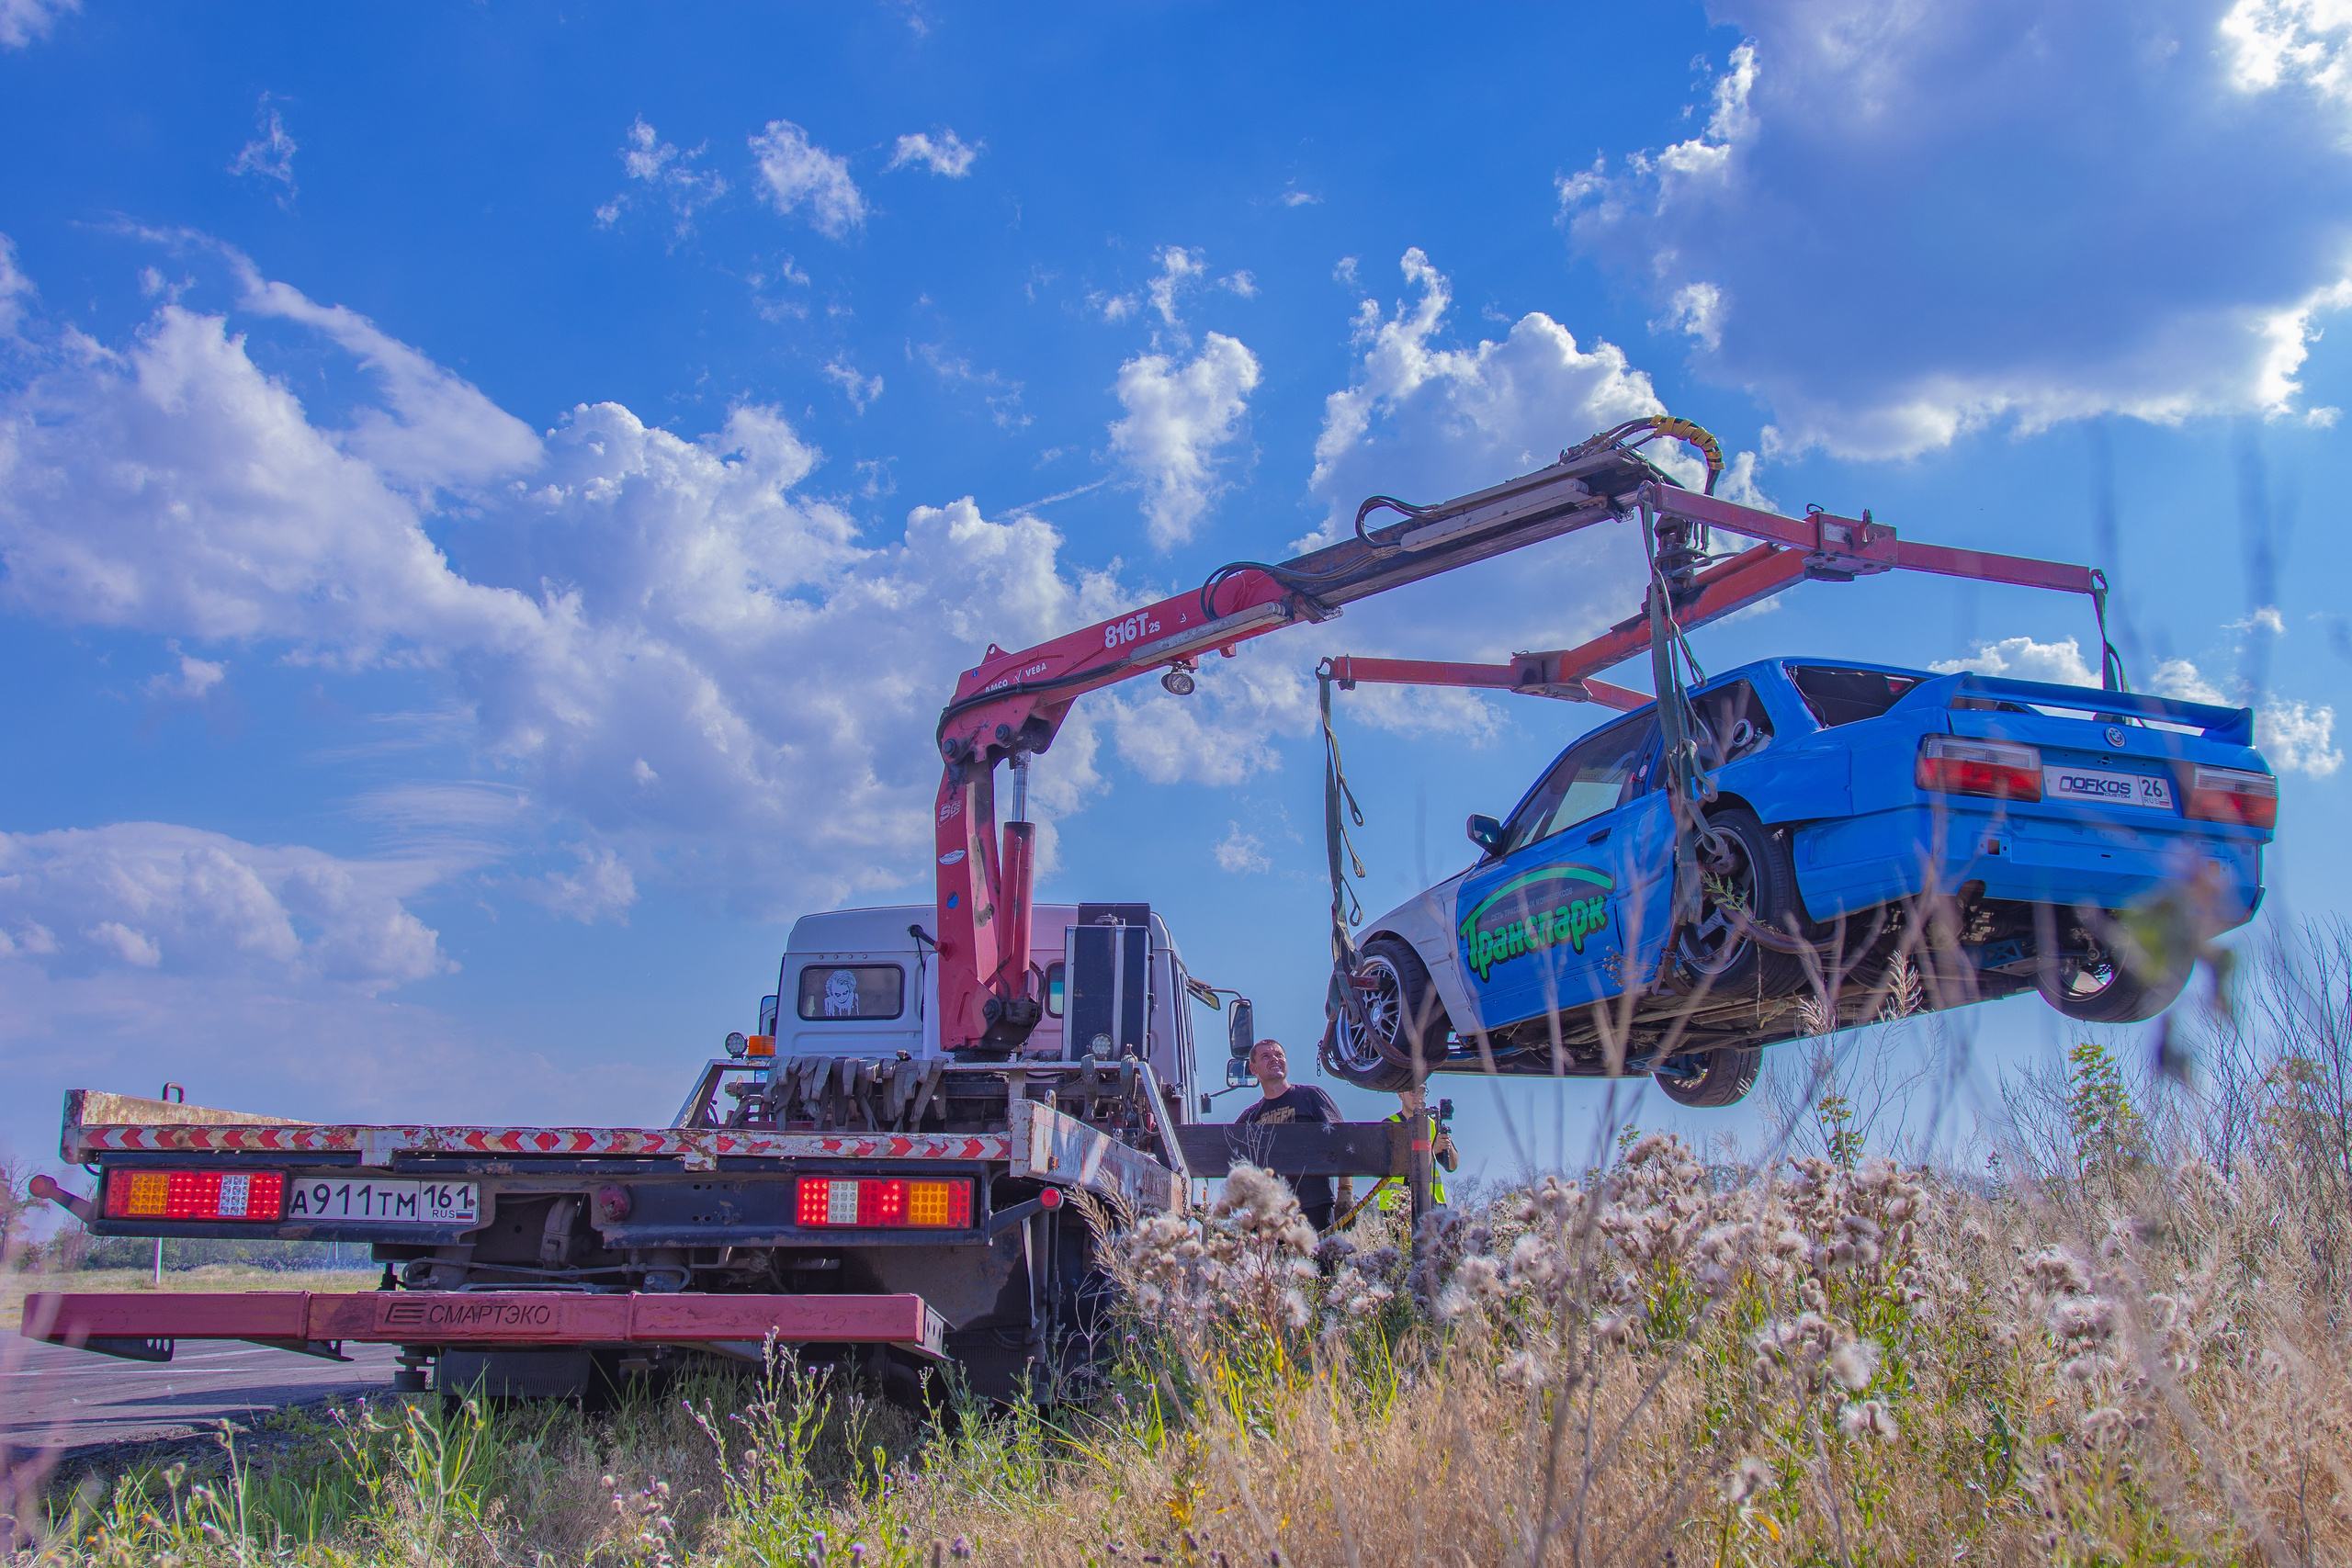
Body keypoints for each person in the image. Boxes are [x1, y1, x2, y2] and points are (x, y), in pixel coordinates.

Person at [1235, 1037, 1343, 1233]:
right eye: (1266, 1056)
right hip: (1269, 1214)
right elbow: (1230, 1159)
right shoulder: (1249, 1118)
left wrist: (1346, 1192)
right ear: (1253, 1069)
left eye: (1279, 1055)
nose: (1274, 1059)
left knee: (1321, 1263)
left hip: (1314, 1205)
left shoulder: (1311, 1097)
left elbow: (1344, 1141)